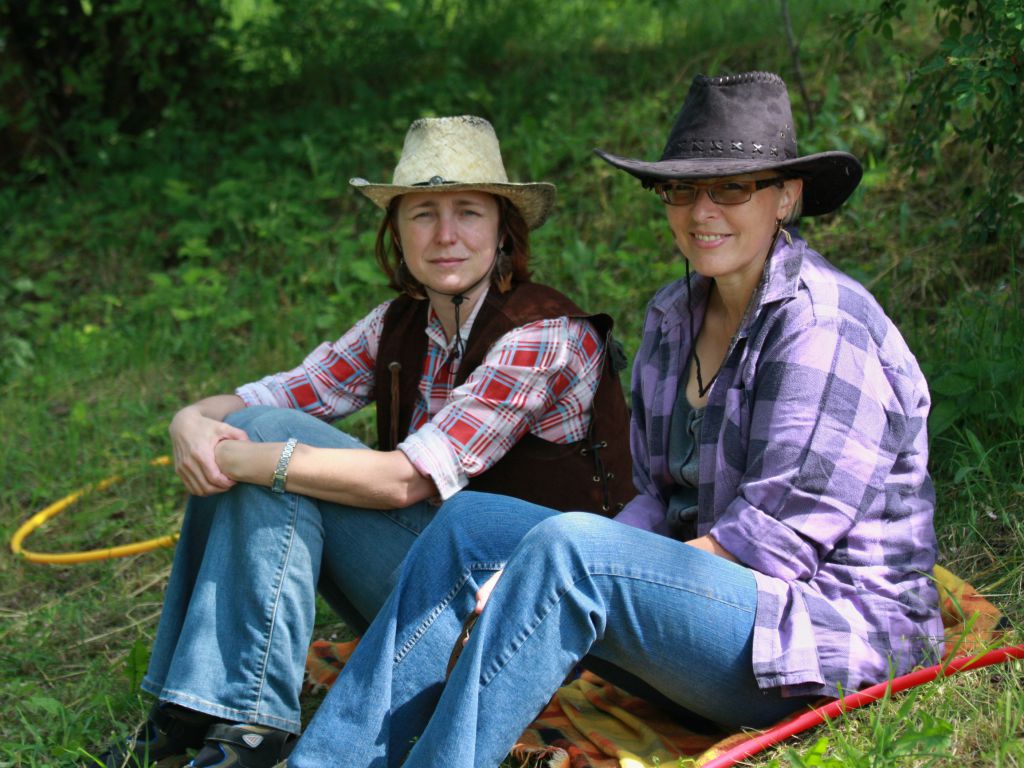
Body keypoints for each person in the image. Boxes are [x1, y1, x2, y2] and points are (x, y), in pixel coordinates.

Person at [286, 71, 945, 768]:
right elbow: (656, 496)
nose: (701, 211)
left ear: (787, 197)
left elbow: (775, 544)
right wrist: (557, 576)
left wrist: (572, 576)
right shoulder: (673, 316)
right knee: (471, 523)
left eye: (731, 188)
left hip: (816, 639)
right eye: (681, 190)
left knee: (568, 552)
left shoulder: (822, 327)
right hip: (713, 620)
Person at [97, 115, 634, 768]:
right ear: (397, 232)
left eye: (468, 212)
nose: (445, 235)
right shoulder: (398, 326)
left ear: (503, 231)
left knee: (262, 449)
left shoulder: (543, 336)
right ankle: (204, 712)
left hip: (526, 616)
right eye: (422, 215)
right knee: (259, 437)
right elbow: (269, 398)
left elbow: (405, 481)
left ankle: (239, 722)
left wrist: (236, 454)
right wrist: (190, 423)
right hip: (433, 587)